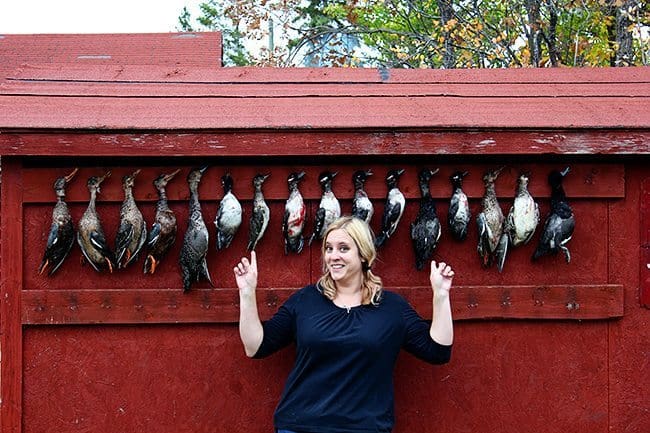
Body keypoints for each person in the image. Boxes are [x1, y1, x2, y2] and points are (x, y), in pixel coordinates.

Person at [233, 216, 454, 433]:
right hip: (301, 425)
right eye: (328, 248)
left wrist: (441, 295)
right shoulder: (306, 301)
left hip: (364, 427)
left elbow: (437, 351)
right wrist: (246, 292)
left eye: (343, 248)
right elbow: (256, 346)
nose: (333, 256)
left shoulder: (391, 309)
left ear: (363, 255)